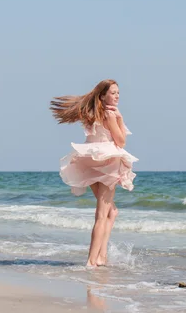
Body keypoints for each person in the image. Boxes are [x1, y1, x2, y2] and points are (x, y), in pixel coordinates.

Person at [50, 79, 138, 267]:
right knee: (102, 214)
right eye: (113, 93)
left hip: (89, 159)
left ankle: (102, 257)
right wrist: (120, 119)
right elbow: (121, 142)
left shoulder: (91, 113)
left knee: (112, 212)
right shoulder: (110, 114)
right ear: (102, 95)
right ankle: (92, 260)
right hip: (108, 162)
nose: (117, 96)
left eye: (118, 93)